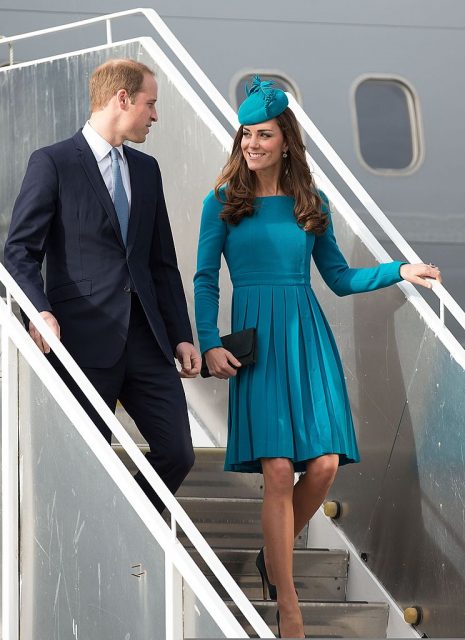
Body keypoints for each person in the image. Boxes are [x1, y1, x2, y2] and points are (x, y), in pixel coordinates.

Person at [193, 75, 441, 637]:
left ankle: (270, 556)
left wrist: (399, 270)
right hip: (258, 341)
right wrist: (209, 341)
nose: (251, 144)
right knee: (279, 470)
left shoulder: (312, 202)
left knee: (324, 465)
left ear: (286, 141)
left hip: (305, 337)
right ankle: (290, 609)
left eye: (263, 135)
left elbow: (338, 277)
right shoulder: (222, 202)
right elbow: (205, 279)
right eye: (245, 135)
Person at [4, 58, 201, 513]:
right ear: (123, 99)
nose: (155, 115)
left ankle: (125, 519)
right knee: (85, 459)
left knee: (178, 453)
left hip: (148, 341)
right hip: (79, 339)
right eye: (150, 104)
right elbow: (19, 252)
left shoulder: (147, 170)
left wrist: (181, 335)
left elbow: (161, 264)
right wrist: (40, 310)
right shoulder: (52, 162)